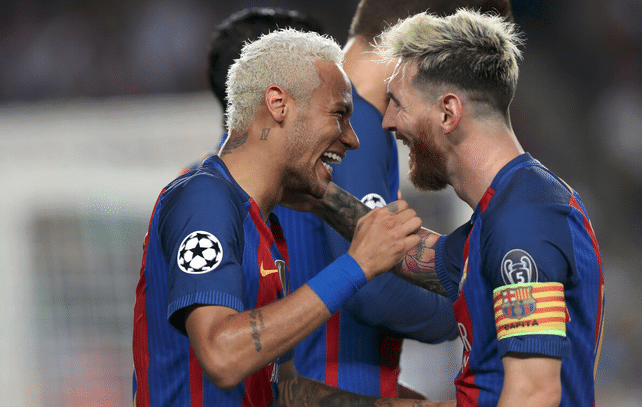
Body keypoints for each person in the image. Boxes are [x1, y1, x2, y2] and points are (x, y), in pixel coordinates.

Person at [132, 28, 457, 407]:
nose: (352, 139)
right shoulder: (205, 198)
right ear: (278, 104)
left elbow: (285, 391)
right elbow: (222, 357)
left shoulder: (263, 225)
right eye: (338, 115)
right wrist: (358, 264)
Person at [302, 9, 605, 407]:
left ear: (448, 112)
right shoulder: (507, 209)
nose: (388, 122)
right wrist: (321, 195)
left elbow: (534, 393)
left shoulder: (524, 219)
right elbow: (415, 256)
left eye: (398, 104)